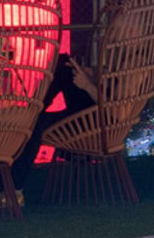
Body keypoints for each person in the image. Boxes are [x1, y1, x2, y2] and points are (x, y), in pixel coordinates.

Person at [20, 51, 97, 197]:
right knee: (63, 63)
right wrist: (90, 77)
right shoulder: (118, 56)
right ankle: (33, 110)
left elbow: (116, 110)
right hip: (86, 110)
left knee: (35, 124)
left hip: (96, 121)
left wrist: (87, 85)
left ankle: (15, 187)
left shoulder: (129, 64)